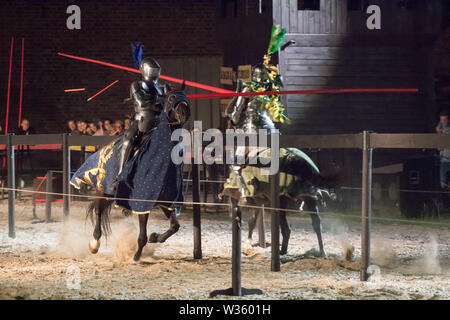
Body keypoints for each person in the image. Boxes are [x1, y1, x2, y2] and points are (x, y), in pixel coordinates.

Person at [436, 109, 450, 189]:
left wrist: (439, 132)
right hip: (444, 160)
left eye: (445, 120)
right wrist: (439, 133)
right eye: (441, 120)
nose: (443, 122)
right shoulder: (441, 131)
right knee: (442, 184)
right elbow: (439, 148)